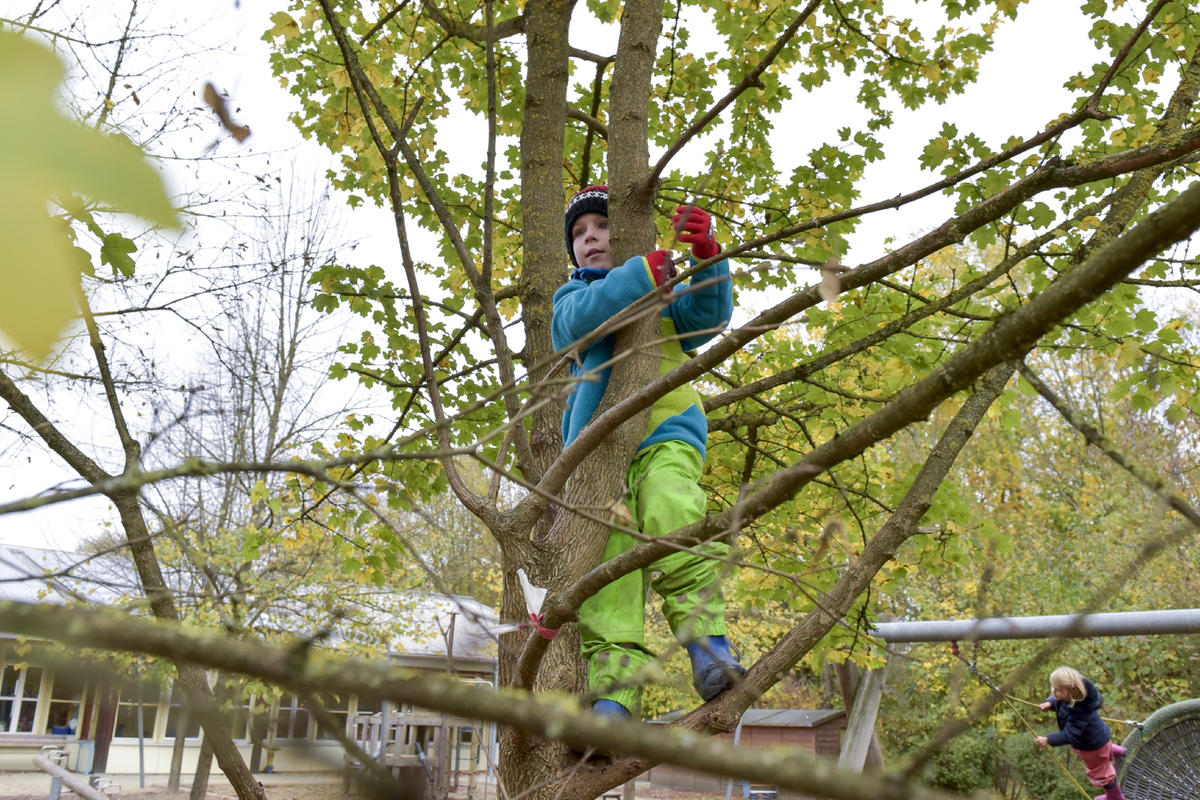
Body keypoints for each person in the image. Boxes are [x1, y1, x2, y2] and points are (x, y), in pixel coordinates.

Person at [552, 184, 744, 719]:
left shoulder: (665, 291)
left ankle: (708, 646)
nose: (590, 239)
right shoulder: (573, 298)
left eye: (603, 227)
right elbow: (576, 324)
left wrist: (706, 258)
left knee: (672, 509)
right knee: (608, 575)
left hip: (667, 431)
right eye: (579, 234)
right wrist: (640, 275)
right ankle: (613, 698)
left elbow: (708, 318)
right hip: (596, 458)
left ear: (632, 231)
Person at [1035, 666, 1127, 800]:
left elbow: (1069, 734)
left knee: (1102, 773)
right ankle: (1117, 750)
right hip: (1098, 737)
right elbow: (1061, 701)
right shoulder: (1073, 697)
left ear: (1072, 690)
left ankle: (1116, 797)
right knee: (1102, 747)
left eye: (1058, 689)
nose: (1054, 691)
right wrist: (1051, 702)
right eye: (1052, 688)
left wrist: (1048, 740)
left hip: (1092, 746)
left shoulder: (1080, 711)